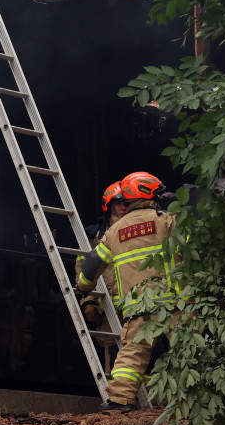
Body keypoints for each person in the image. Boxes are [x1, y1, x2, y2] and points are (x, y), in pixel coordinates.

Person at [76, 171, 177, 410]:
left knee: (132, 353)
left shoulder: (114, 232)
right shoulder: (168, 222)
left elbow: (90, 267)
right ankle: (198, 402)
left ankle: (119, 401)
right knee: (187, 350)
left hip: (137, 306)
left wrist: (83, 287)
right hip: (174, 304)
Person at [76, 183, 131, 372]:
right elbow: (84, 269)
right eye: (119, 203)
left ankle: (151, 401)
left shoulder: (137, 229)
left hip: (138, 306)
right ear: (109, 205)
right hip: (110, 309)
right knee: (115, 359)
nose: (124, 207)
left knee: (145, 354)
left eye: (127, 202)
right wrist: (89, 301)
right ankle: (117, 399)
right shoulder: (95, 235)